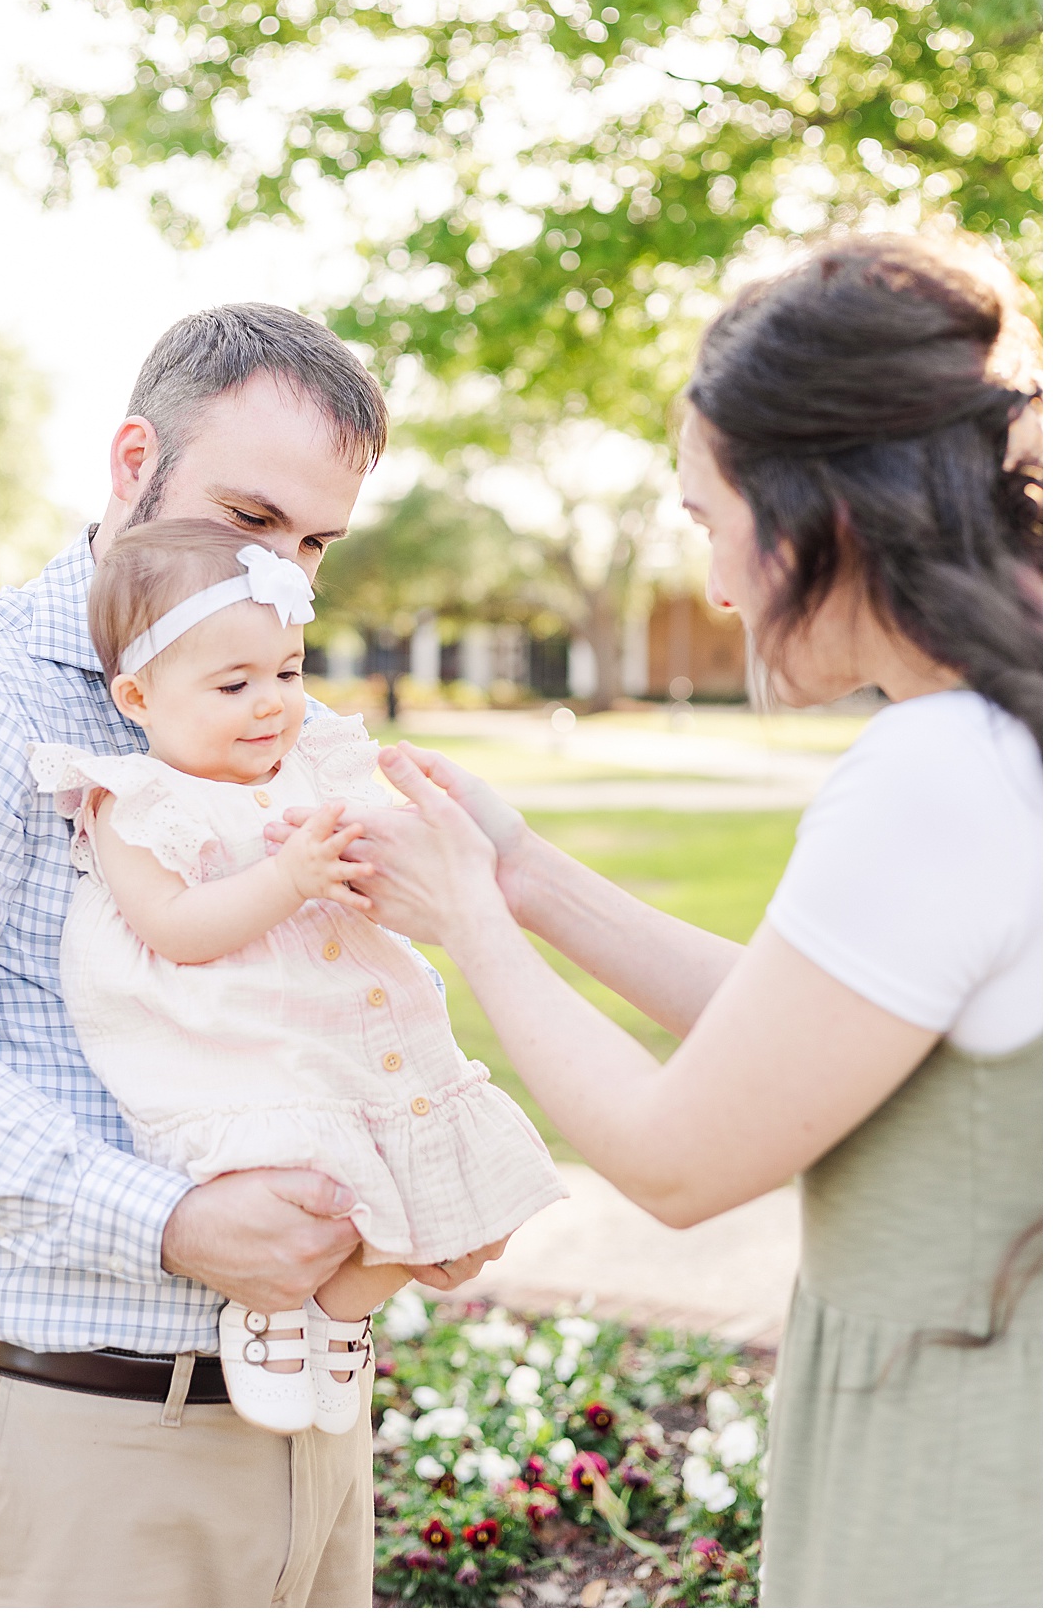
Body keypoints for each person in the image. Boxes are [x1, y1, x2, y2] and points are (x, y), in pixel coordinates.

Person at [306, 236, 1043, 1607]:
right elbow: (796, 1023)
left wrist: (472, 918)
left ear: (813, 511)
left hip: (960, 1489)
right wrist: (523, 871)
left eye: (707, 521)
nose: (713, 584)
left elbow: (678, 1161)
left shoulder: (939, 767)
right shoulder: (1005, 738)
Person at [0, 303, 503, 1609]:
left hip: (315, 1425)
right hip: (81, 1448)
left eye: (315, 542)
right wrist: (173, 1222)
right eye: (251, 518)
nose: (282, 571)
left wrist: (413, 1165)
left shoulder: (289, 719)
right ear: (131, 461)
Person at [28, 519, 562, 1436]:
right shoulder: (137, 798)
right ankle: (273, 1309)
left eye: (288, 671)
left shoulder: (313, 767)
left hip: (363, 1054)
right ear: (139, 696)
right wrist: (286, 879)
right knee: (311, 1203)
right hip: (248, 1060)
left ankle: (338, 1311)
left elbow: (382, 875)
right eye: (233, 684)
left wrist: (374, 858)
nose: (272, 703)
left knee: (469, 1208)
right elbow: (176, 929)